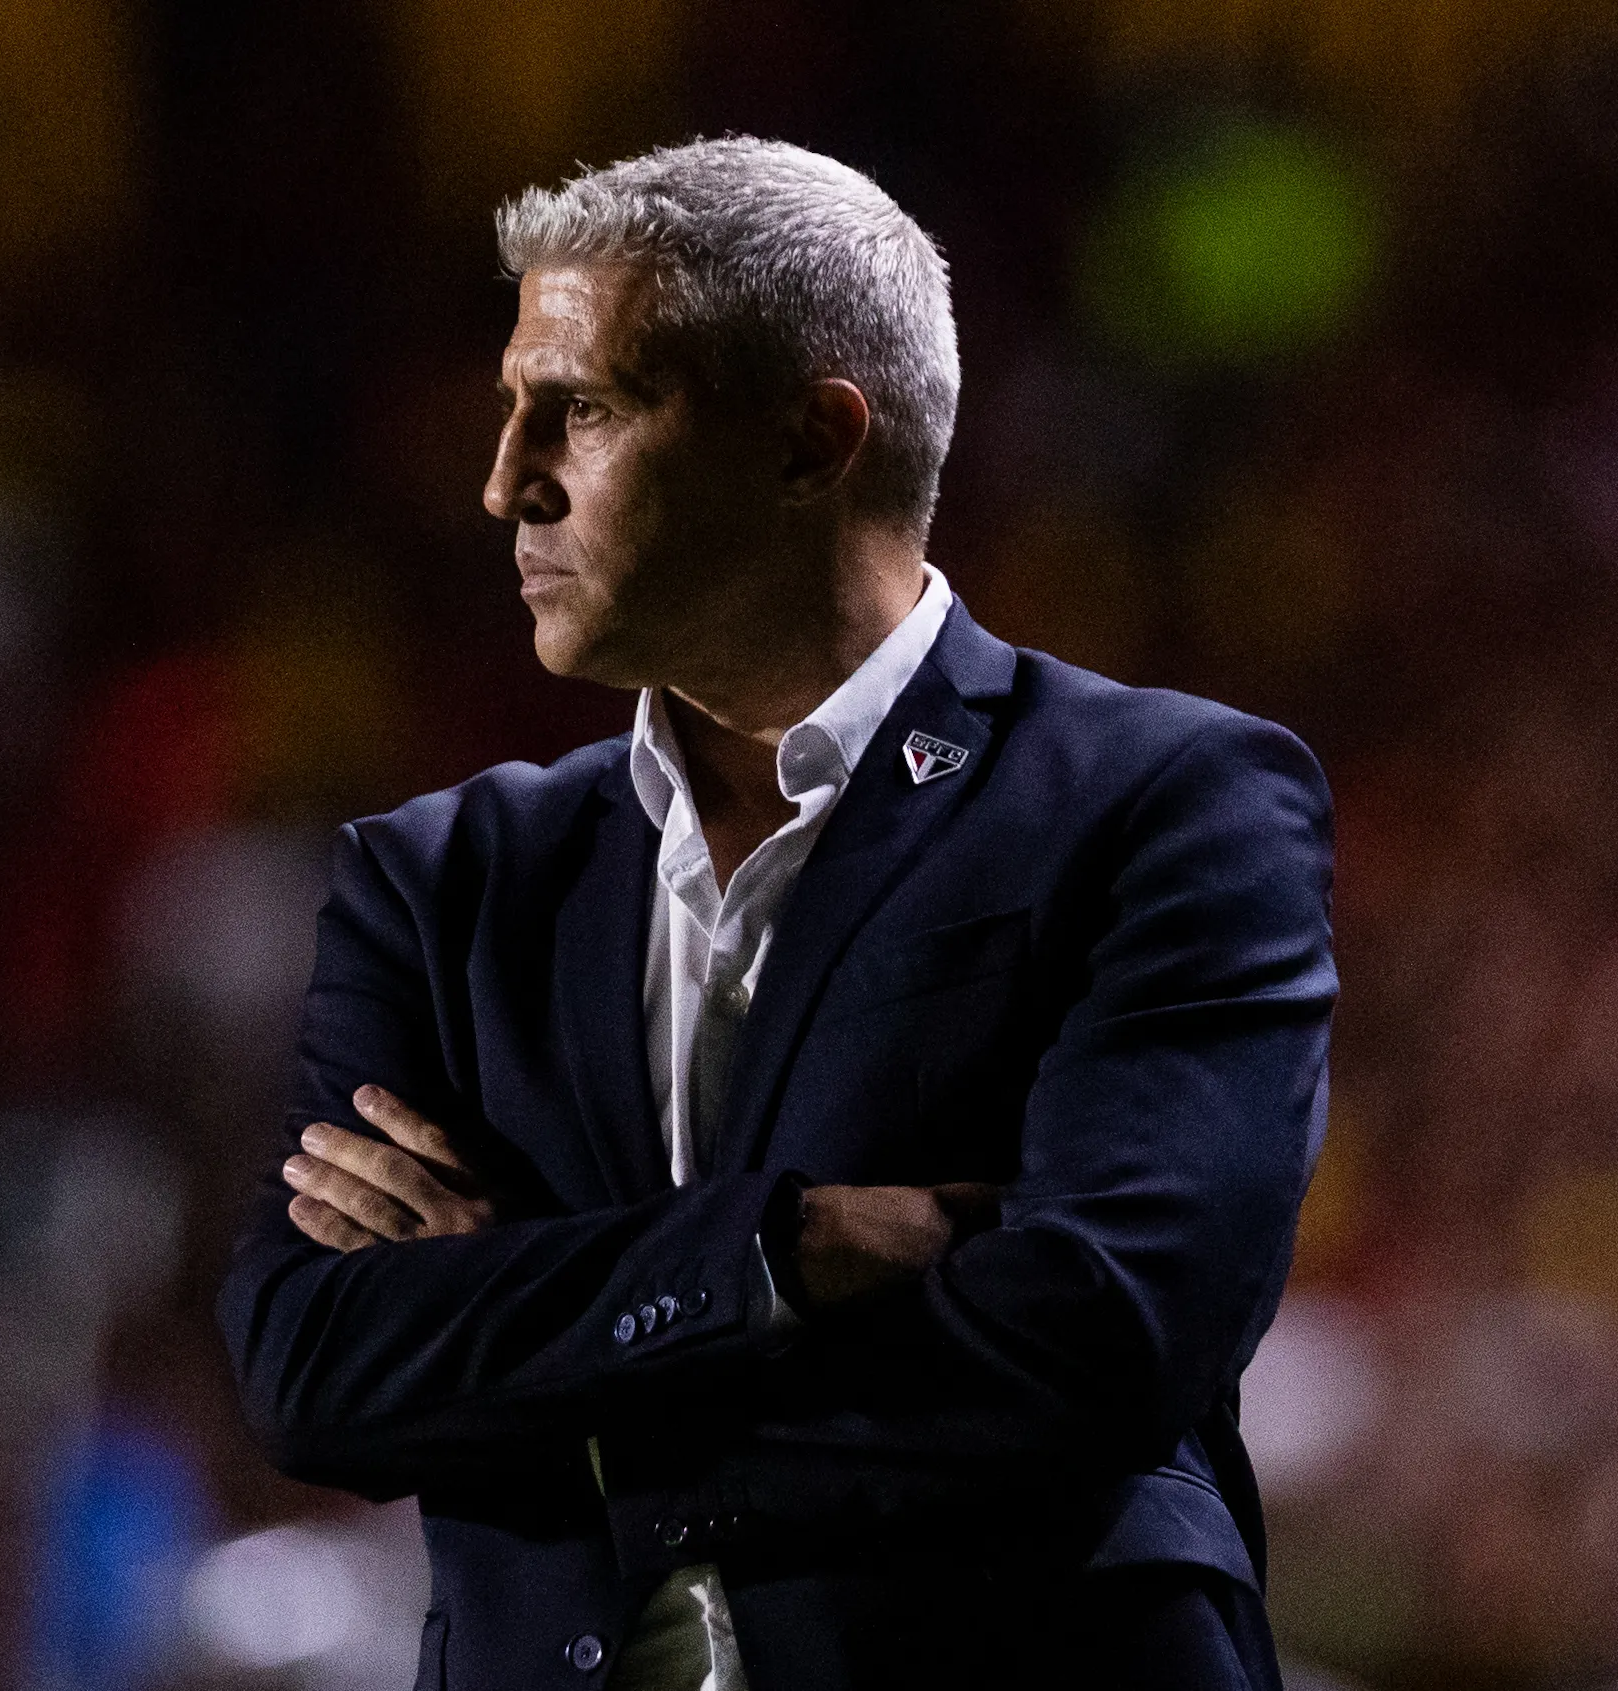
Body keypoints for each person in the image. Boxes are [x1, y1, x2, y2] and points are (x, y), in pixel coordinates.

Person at [217, 136, 1333, 1691]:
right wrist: (778, 1250)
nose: (504, 480)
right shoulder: (439, 876)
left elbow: (1110, 1327)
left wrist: (536, 1322)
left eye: (585, 409)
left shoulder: (1167, 801)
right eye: (509, 409)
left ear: (814, 441)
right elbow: (315, 1365)